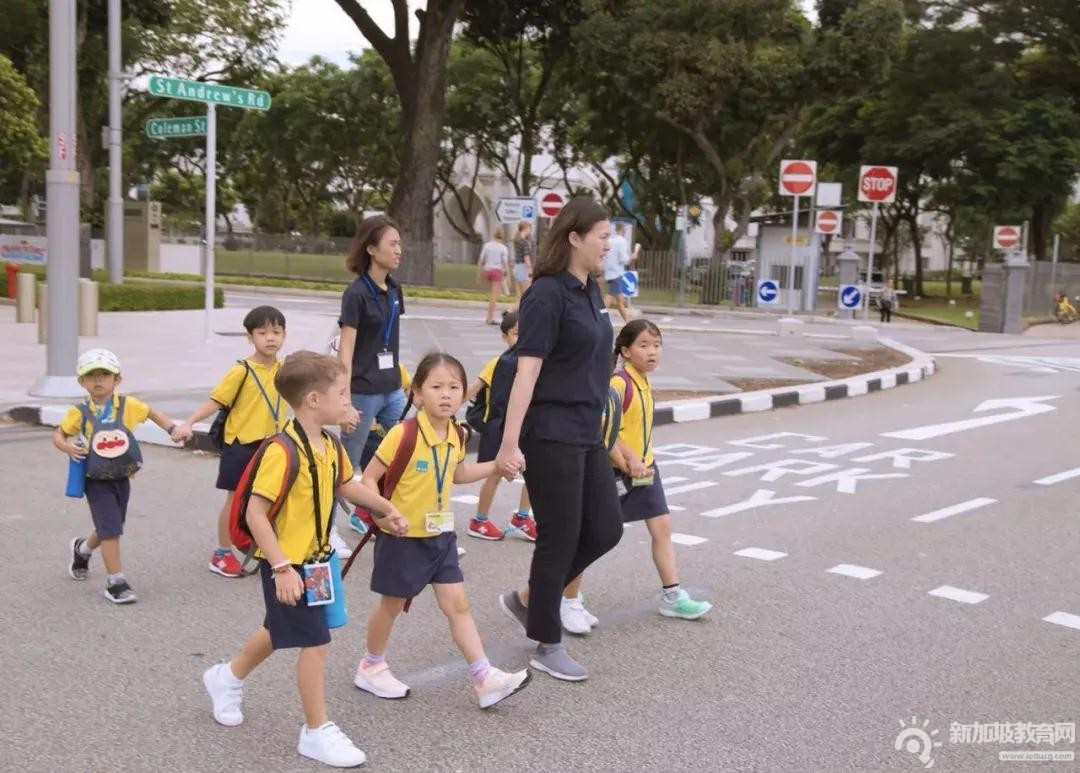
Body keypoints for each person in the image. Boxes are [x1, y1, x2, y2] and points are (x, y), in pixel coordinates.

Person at [202, 351, 407, 769]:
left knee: (279, 629)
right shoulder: (282, 451)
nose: (349, 402)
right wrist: (279, 568)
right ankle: (316, 731)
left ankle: (226, 677)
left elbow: (347, 484)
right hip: (288, 566)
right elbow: (255, 513)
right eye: (342, 394)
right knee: (314, 642)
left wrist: (387, 508)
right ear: (314, 400)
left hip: (316, 562)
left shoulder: (329, 444)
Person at [354, 353, 532, 709]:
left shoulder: (457, 433)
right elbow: (369, 480)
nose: (446, 394)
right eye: (436, 387)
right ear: (418, 393)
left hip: (440, 537)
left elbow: (457, 474)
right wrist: (384, 514)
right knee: (390, 605)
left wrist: (496, 465)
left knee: (458, 605)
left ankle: (484, 678)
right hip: (402, 537)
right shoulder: (401, 435)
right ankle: (370, 666)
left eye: (454, 387)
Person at [495, 197, 624, 682]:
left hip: (587, 431)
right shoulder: (547, 294)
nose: (609, 245)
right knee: (559, 536)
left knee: (606, 528)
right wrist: (511, 444)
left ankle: (531, 598)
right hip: (550, 432)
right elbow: (527, 372)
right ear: (574, 237)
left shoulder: (590, 289)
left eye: (609, 237)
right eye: (602, 237)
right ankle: (546, 642)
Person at [560, 320, 712, 634]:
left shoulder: (642, 379)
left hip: (645, 470)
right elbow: (603, 433)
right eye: (644, 345)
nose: (652, 352)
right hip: (613, 473)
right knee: (591, 537)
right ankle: (567, 600)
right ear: (626, 351)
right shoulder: (618, 384)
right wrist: (626, 461)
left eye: (656, 345)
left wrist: (642, 461)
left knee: (662, 526)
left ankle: (671, 595)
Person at [173, 306, 289, 577]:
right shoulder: (242, 371)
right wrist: (188, 423)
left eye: (277, 332)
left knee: (270, 499)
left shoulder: (286, 369)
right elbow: (216, 401)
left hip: (273, 445)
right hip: (242, 443)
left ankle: (265, 547)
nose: (270, 338)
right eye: (262, 333)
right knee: (235, 499)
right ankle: (222, 553)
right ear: (250, 337)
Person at [57, 348, 179, 604]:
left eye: (105, 374)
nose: (98, 380)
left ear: (117, 380)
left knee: (111, 526)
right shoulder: (79, 412)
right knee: (111, 529)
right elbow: (58, 434)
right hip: (95, 479)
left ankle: (82, 549)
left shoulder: (128, 406)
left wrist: (172, 428)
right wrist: (67, 447)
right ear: (82, 381)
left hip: (122, 476)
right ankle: (116, 582)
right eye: (92, 376)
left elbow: (152, 413)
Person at [337, 215, 407, 475]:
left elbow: (387, 339)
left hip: (393, 390)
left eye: (399, 244)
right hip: (362, 394)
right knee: (346, 465)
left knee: (408, 447)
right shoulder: (356, 294)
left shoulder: (395, 288)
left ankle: (372, 512)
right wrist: (345, 401)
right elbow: (346, 349)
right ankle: (324, 514)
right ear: (371, 249)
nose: (398, 250)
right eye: (392, 244)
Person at [465, 310, 537, 542]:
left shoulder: (532, 362)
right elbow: (472, 389)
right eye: (516, 333)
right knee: (494, 473)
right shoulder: (498, 363)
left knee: (534, 473)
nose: (521, 338)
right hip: (497, 427)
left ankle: (523, 517)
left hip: (526, 425)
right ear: (504, 336)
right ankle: (479, 520)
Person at [477, 227, 510, 325]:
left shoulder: (487, 246)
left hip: (487, 271)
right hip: (497, 271)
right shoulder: (503, 248)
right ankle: (489, 318)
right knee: (494, 296)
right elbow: (505, 263)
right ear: (502, 236)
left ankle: (490, 315)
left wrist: (478, 274)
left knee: (494, 292)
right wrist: (508, 277)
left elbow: (481, 260)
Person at [601, 222, 631, 324]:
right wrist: (632, 257)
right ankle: (598, 318)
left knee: (620, 302)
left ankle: (628, 322)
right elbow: (623, 258)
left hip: (609, 272)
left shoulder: (611, 240)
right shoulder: (622, 241)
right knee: (608, 300)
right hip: (617, 273)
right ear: (623, 230)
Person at [510, 220, 535, 308]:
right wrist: (530, 271)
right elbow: (526, 258)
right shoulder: (524, 242)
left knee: (520, 296)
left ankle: (512, 313)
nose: (530, 231)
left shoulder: (517, 240)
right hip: (523, 268)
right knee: (527, 295)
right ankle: (512, 313)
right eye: (529, 229)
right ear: (525, 228)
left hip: (517, 268)